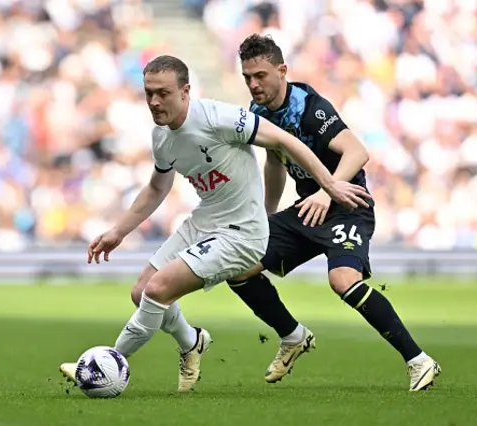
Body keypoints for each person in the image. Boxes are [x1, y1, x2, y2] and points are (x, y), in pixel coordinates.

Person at [59, 55, 372, 392]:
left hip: (242, 232)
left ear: (185, 91)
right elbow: (156, 188)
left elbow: (286, 141)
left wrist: (328, 185)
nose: (154, 101)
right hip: (206, 220)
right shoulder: (162, 137)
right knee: (141, 292)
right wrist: (118, 231)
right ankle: (191, 341)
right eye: (148, 93)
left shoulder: (220, 118)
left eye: (163, 93)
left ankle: (106, 363)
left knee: (157, 290)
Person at [227, 35, 441, 392]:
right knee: (238, 266)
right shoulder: (259, 113)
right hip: (308, 209)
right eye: (247, 76)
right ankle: (293, 336)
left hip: (346, 206)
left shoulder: (310, 108)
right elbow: (275, 163)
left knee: (342, 280)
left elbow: (357, 152)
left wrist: (328, 192)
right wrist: (265, 216)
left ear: (282, 71)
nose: (253, 84)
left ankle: (419, 360)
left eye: (260, 75)